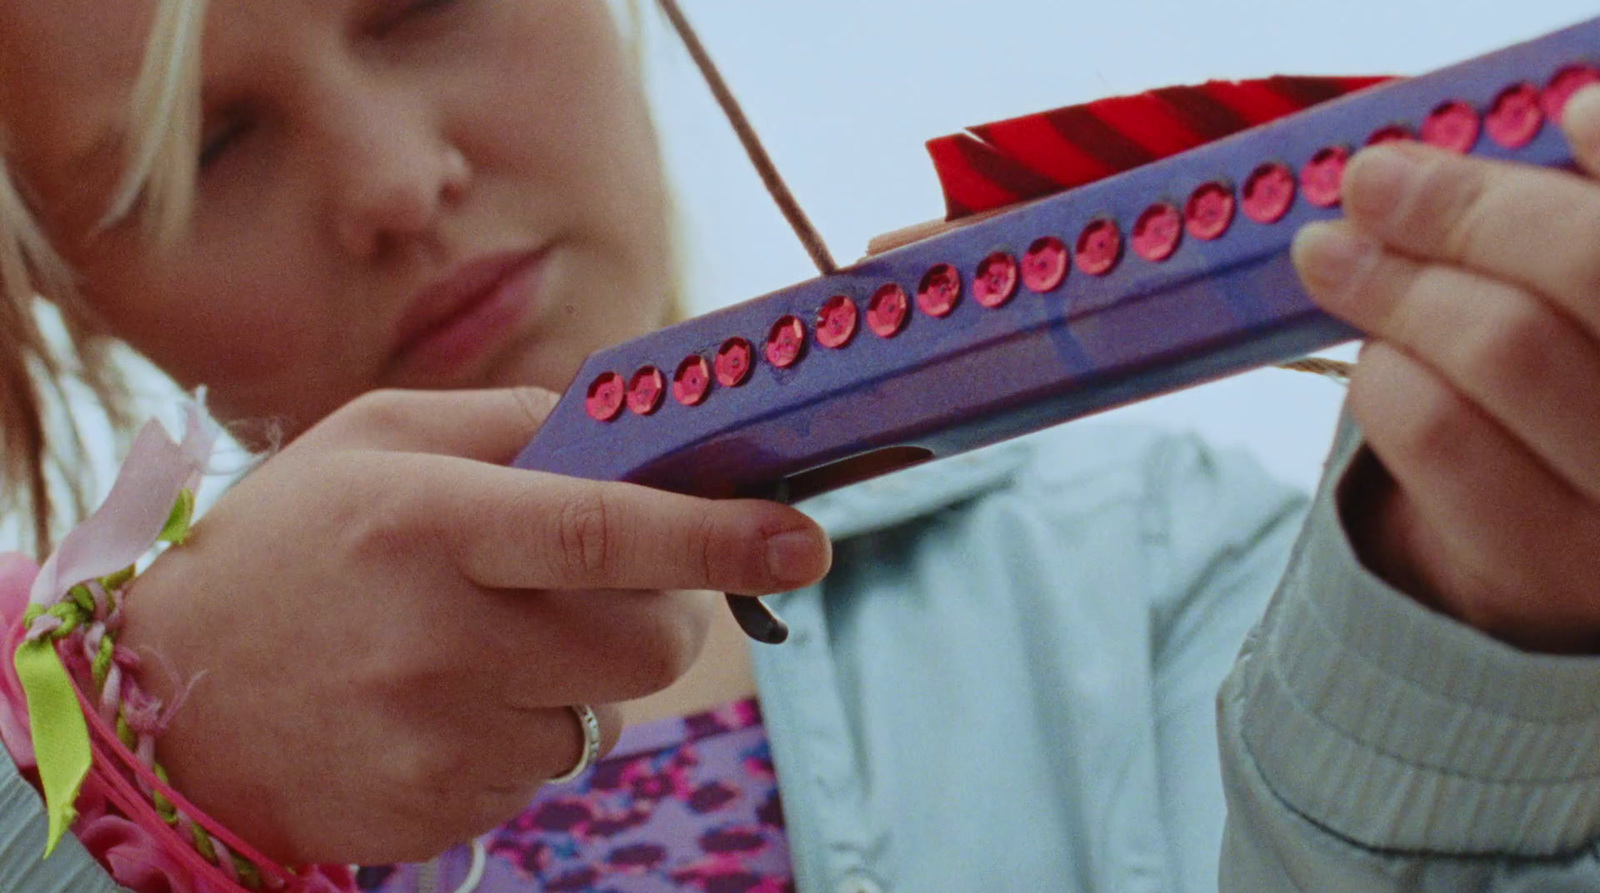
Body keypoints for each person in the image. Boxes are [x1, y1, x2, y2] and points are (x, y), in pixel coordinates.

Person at [0, 3, 1595, 893]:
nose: (398, 178)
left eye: (424, 6)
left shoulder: (1155, 571)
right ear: (70, 302)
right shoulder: (49, 767)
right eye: (207, 150)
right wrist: (137, 749)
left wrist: (1473, 625)